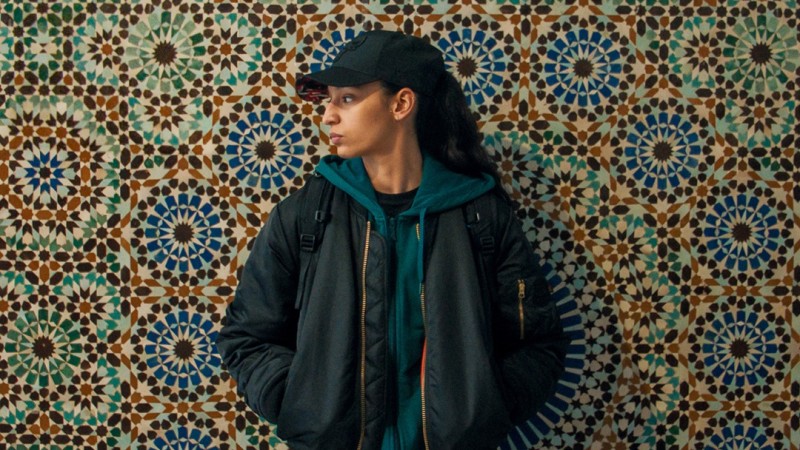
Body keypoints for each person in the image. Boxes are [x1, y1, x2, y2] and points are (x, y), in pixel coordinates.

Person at [216, 29, 568, 450]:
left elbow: (538, 344)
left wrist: (484, 411)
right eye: (328, 100)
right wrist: (301, 402)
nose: (327, 115)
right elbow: (246, 337)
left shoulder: (481, 215)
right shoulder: (304, 215)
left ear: (401, 103)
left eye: (347, 98)